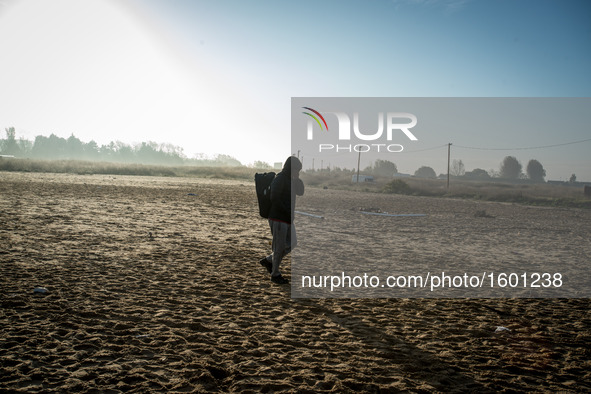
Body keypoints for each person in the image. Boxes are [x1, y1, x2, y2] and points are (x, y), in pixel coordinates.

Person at [259, 156, 304, 284]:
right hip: (278, 218)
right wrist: (286, 211)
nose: (298, 172)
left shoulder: (292, 180)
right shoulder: (280, 178)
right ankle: (275, 274)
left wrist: (297, 179)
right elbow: (274, 197)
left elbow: (301, 192)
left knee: (292, 243)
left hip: (288, 218)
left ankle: (269, 260)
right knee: (279, 247)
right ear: (291, 168)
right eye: (296, 170)